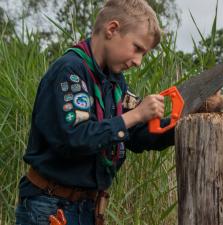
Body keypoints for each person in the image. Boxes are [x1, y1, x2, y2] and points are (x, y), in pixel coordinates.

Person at [14, 0, 208, 224]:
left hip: (87, 208)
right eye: (137, 48)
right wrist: (135, 115)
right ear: (112, 29)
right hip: (50, 207)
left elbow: (136, 136)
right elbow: (75, 138)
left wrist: (184, 123)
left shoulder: (114, 83)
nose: (138, 61)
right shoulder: (70, 72)